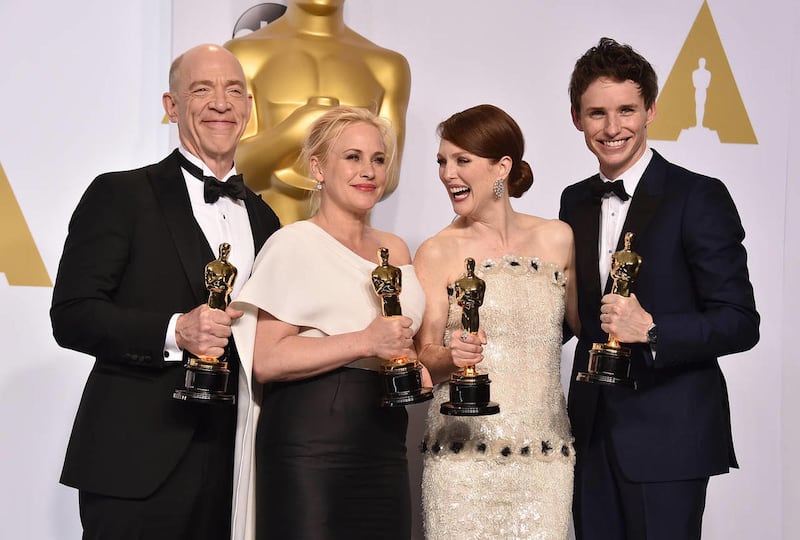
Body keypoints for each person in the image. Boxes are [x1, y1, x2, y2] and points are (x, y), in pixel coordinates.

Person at [50, 44, 280, 539]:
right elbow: (71, 314)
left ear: (248, 108)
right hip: (137, 463)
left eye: (234, 90)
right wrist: (176, 330)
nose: (221, 102)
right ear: (171, 107)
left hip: (236, 467)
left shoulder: (267, 218)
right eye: (202, 89)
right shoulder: (120, 194)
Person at [560, 37, 760, 540]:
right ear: (576, 118)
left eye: (626, 110)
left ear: (650, 110)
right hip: (588, 432)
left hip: (670, 434)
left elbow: (739, 321)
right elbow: (574, 314)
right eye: (597, 113)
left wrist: (651, 330)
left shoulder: (699, 196)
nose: (612, 128)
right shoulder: (573, 202)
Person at [230, 106, 425, 539]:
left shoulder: (397, 249)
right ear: (317, 167)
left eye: (378, 159)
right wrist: (364, 341)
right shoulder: (293, 243)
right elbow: (266, 358)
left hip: (385, 439)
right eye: (352, 157)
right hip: (311, 444)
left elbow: (404, 345)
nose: (368, 171)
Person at [414, 104, 580, 539]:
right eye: (442, 161)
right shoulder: (437, 250)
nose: (448, 173)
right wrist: (451, 357)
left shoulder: (558, 238)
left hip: (545, 461)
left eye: (462, 160)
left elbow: (588, 329)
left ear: (502, 167)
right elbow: (423, 357)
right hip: (462, 463)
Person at [224, 0, 411, 225]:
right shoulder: (245, 55)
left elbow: (388, 177)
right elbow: (232, 170)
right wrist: (296, 129)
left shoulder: (387, 66)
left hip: (351, 246)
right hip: (268, 238)